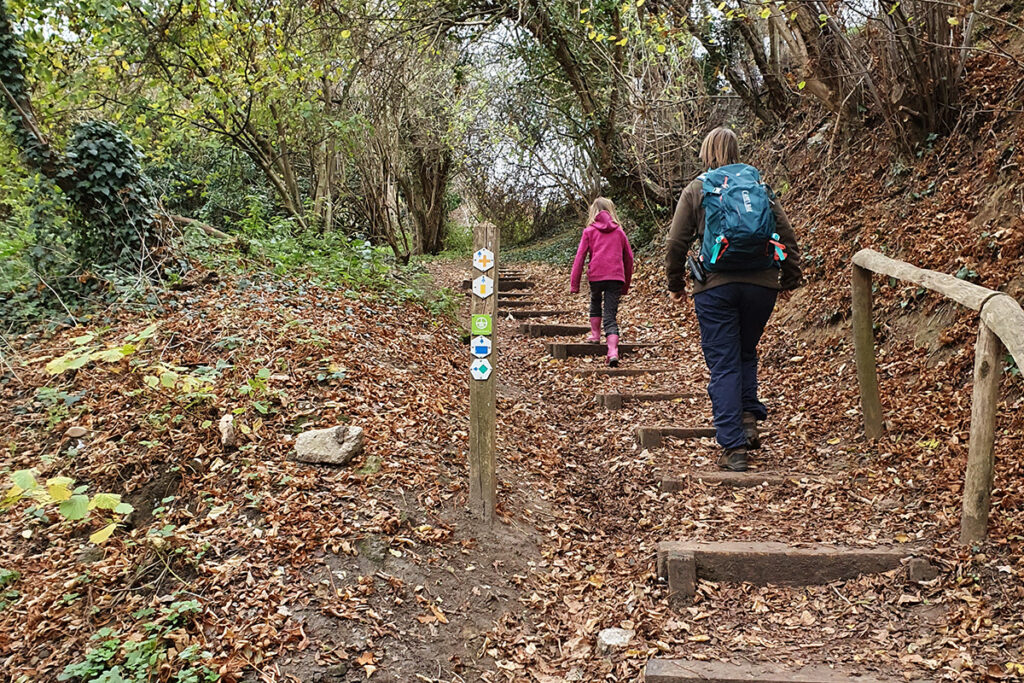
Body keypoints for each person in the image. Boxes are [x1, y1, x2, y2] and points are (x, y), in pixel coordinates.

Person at [666, 127, 802, 472]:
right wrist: (789, 279)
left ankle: (733, 447)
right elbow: (785, 234)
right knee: (745, 352)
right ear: (736, 150)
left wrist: (675, 284)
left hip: (715, 288)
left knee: (724, 363)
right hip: (761, 285)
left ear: (707, 153)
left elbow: (676, 242)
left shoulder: (698, 188)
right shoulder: (758, 187)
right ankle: (747, 420)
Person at [570, 197, 635, 367]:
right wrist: (625, 285)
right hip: (616, 278)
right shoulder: (619, 232)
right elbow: (629, 258)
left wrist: (574, 284)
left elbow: (579, 258)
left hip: (596, 276)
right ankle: (612, 351)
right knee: (610, 315)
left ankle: (595, 335)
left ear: (593, 212)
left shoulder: (589, 231)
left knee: (595, 301)